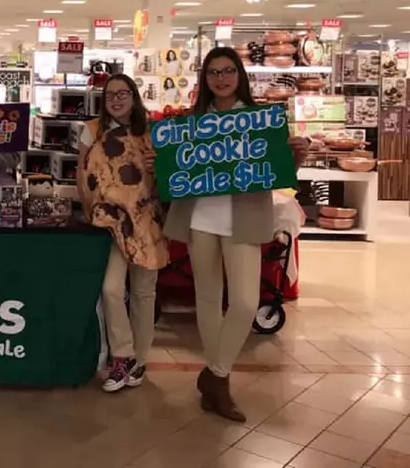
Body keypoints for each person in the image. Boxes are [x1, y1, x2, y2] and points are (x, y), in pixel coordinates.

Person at [146, 47, 308, 422]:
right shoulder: (191, 123)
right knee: (206, 299)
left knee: (246, 303)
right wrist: (161, 165)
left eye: (228, 71)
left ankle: (215, 373)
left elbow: (277, 169)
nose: (221, 78)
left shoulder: (260, 120)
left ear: (240, 76)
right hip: (201, 218)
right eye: (214, 72)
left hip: (244, 218)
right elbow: (171, 173)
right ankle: (219, 384)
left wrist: (295, 156)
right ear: (205, 79)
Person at [78, 74, 167, 393]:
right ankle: (123, 355)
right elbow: (82, 174)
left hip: (147, 221)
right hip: (113, 222)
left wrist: (162, 169)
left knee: (144, 292)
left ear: (134, 96)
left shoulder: (154, 132)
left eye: (123, 93)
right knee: (111, 287)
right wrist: (92, 211)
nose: (116, 99)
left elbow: (167, 179)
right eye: (110, 94)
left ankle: (140, 359)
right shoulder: (91, 131)